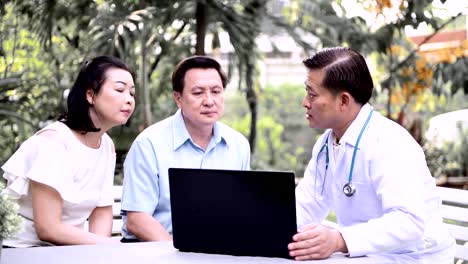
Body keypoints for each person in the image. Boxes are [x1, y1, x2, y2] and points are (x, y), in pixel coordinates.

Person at [288, 47, 454, 263]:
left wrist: (339, 240)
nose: (305, 102)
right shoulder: (326, 145)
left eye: (312, 94)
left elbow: (409, 221)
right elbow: (306, 206)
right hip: (366, 255)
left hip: (414, 257)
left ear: (344, 101)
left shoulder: (389, 142)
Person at [1, 56, 136, 247]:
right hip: (23, 249)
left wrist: (102, 253)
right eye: (120, 90)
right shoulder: (54, 142)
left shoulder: (106, 145)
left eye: (132, 93)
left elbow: (102, 209)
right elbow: (48, 228)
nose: (129, 100)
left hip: (70, 251)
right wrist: (107, 246)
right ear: (90, 94)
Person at [120, 55, 251, 242]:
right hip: (157, 251)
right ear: (178, 98)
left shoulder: (238, 145)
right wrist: (178, 255)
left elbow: (241, 210)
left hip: (218, 251)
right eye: (198, 93)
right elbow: (137, 219)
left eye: (216, 91)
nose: (209, 101)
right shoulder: (148, 144)